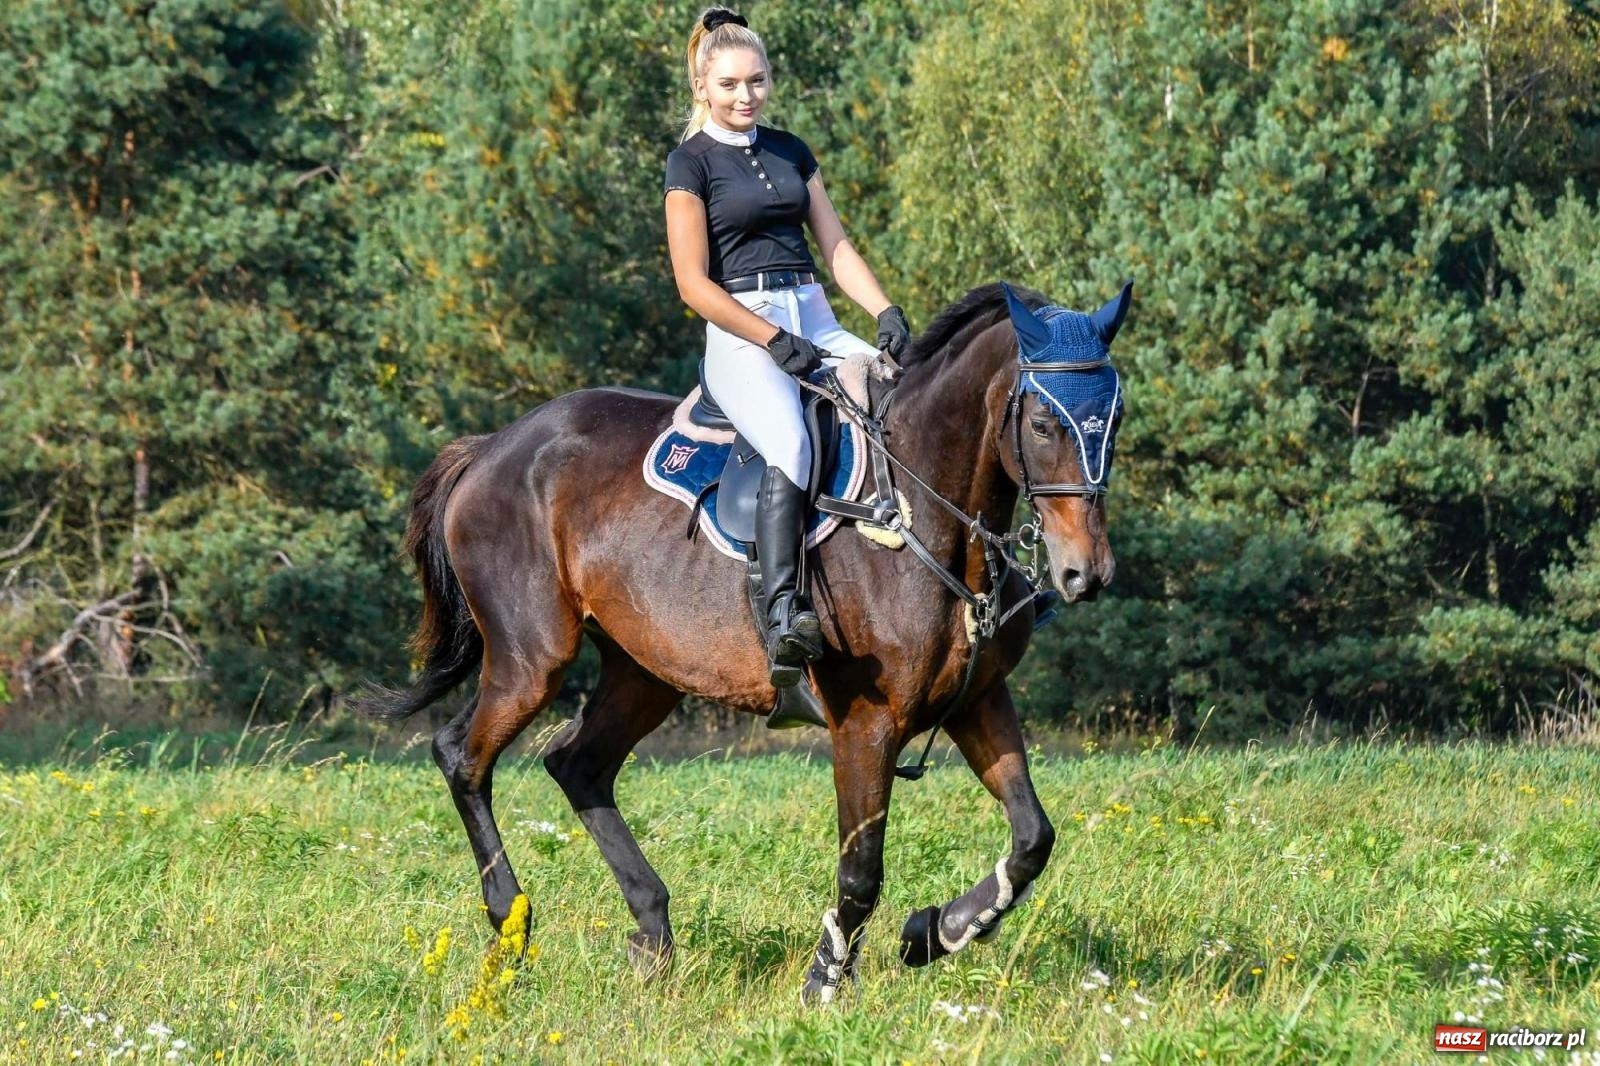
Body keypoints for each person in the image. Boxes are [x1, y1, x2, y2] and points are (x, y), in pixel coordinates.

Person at [663, 7, 911, 690]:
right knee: (791, 442)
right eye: (731, 85)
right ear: (702, 87)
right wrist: (771, 338)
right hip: (741, 327)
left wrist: (884, 310)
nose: (747, 97)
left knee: (901, 398)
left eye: (758, 82)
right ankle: (781, 615)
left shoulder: (791, 150)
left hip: (815, 312)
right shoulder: (690, 163)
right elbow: (691, 283)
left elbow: (835, 247)